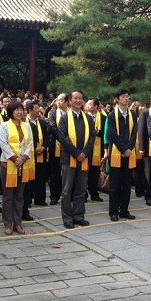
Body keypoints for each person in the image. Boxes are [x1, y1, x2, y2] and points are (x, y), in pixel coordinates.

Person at [57, 90, 95, 229]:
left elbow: (92, 137)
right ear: (69, 101)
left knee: (81, 189)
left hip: (83, 159)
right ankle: (67, 218)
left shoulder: (88, 118)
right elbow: (63, 138)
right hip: (69, 159)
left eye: (80, 98)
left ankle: (79, 216)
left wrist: (84, 153)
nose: (78, 101)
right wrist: (76, 153)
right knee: (67, 191)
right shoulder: (65, 118)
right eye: (75, 98)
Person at [0, 102, 33, 235]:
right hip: (8, 164)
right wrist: (14, 158)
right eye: (16, 110)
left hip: (23, 164)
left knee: (19, 195)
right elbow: (3, 143)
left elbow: (29, 143)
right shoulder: (4, 125)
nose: (19, 112)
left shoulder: (27, 126)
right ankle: (8, 224)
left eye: (21, 110)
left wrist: (23, 158)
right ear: (11, 112)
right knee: (8, 195)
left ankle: (18, 223)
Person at [106, 88, 138, 222]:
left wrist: (129, 148)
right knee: (114, 185)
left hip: (129, 153)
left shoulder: (132, 114)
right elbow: (112, 134)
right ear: (117, 99)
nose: (126, 98)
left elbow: (134, 133)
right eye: (123, 96)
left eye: (127, 96)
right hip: (116, 153)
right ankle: (113, 211)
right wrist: (124, 149)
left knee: (126, 184)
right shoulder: (112, 115)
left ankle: (124, 210)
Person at [47, 93, 70, 206]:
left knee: (68, 172)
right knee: (54, 172)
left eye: (60, 100)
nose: (57, 102)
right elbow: (52, 127)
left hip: (70, 148)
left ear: (66, 102)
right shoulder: (52, 113)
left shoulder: (71, 113)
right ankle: (54, 196)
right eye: (57, 100)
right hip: (56, 145)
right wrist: (64, 139)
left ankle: (68, 195)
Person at [26, 101, 50, 206]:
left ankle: (40, 199)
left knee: (40, 178)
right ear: (30, 110)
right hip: (28, 156)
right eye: (36, 109)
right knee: (29, 179)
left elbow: (47, 138)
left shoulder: (42, 123)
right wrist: (33, 150)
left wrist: (44, 147)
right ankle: (28, 199)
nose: (38, 111)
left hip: (41, 154)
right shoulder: (25, 123)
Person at [85, 97, 106, 202]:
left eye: (90, 104)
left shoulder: (103, 118)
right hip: (85, 148)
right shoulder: (83, 116)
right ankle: (83, 194)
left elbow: (107, 134)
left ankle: (94, 193)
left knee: (94, 172)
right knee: (83, 172)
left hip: (98, 149)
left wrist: (98, 132)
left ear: (96, 107)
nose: (87, 105)